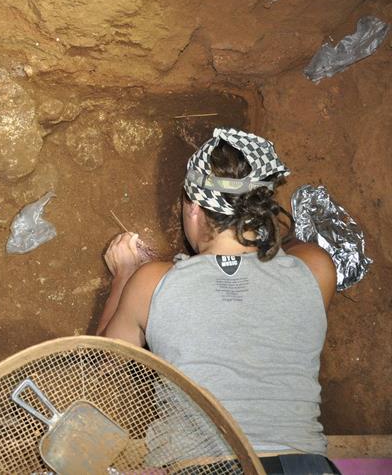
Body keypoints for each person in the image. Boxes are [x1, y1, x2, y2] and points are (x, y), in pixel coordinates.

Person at [97, 128, 341, 474]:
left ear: (195, 209)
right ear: (260, 210)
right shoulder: (316, 269)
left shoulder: (151, 284)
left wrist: (124, 274)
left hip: (206, 467)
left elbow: (106, 361)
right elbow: (287, 250)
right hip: (301, 466)